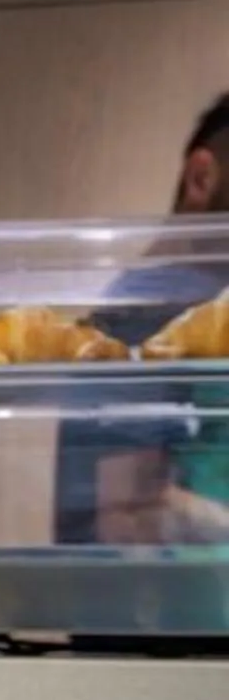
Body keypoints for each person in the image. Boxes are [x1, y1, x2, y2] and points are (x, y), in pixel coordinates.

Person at [55, 92, 229, 550]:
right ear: (202, 177)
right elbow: (131, 518)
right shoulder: (139, 325)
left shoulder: (201, 319)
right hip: (159, 618)